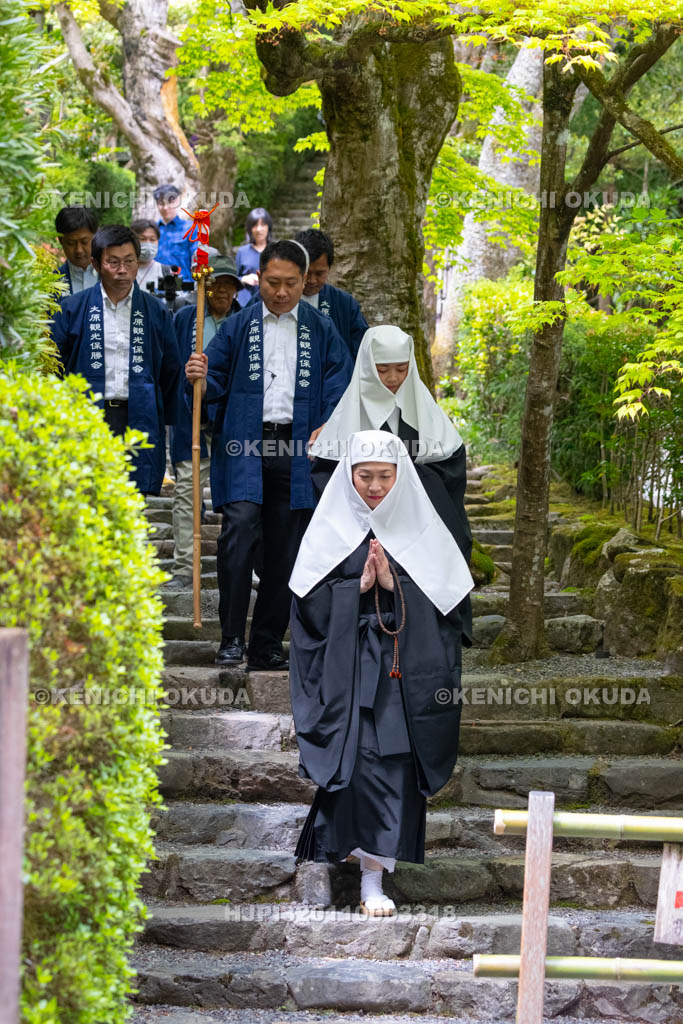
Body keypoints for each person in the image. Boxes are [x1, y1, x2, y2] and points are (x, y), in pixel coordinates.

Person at [289, 430, 474, 915]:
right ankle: (335, 859)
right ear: (349, 476)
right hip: (347, 672)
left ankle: (374, 879)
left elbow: (451, 612)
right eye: (364, 476)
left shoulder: (422, 527)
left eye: (385, 477)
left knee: (392, 763)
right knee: (351, 765)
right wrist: (355, 590)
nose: (374, 487)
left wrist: (397, 586)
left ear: (401, 476)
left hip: (398, 675)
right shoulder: (330, 527)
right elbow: (307, 614)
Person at [185, 239, 353, 670]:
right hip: (245, 444)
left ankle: (265, 643)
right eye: (273, 283)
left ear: (305, 281)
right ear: (259, 278)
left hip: (298, 449)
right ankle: (230, 639)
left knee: (286, 548)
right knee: (238, 531)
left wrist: (327, 424)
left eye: (291, 283)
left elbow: (340, 380)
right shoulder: (238, 326)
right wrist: (199, 376)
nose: (281, 292)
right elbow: (215, 379)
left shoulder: (319, 328)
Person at [308, 324, 474, 644]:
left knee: (451, 536)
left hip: (419, 507)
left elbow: (449, 466)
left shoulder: (423, 410)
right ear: (368, 368)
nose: (394, 379)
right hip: (360, 510)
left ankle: (440, 627)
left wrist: (406, 486)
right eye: (383, 370)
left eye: (401, 369)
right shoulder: (347, 414)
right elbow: (326, 473)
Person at [51, 224, 182, 495]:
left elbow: (171, 369)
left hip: (140, 415)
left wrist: (165, 416)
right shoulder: (72, 309)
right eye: (113, 262)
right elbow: (56, 367)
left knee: (134, 500)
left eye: (129, 261)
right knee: (87, 496)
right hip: (88, 416)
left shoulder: (156, 311)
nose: (122, 270)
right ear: (96, 264)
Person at [167, 256, 242, 589]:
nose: (221, 292)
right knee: (186, 491)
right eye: (215, 285)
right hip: (191, 419)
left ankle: (244, 567)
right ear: (203, 287)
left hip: (231, 422)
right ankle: (185, 566)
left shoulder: (245, 322)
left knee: (241, 501)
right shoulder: (185, 319)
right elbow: (171, 367)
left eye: (229, 286)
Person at [295, 228, 369, 358]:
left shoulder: (345, 304)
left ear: (329, 268)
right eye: (306, 272)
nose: (312, 280)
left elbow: (361, 353)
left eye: (319, 273)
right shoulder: (275, 300)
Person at [154, 184, 197, 284]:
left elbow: (197, 261)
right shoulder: (151, 232)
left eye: (170, 202)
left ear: (177, 201)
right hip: (155, 288)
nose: (165, 207)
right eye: (161, 203)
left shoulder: (191, 229)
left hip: (184, 288)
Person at [55, 206, 99, 295]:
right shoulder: (53, 283)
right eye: (71, 243)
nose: (79, 250)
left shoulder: (113, 275)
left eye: (84, 242)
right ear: (61, 241)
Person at [235, 208, 272, 308]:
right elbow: (232, 279)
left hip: (270, 302)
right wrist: (244, 279)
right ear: (250, 228)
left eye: (263, 225)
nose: (259, 229)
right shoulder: (242, 252)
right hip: (245, 304)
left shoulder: (275, 250)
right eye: (255, 225)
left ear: (269, 227)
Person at [131, 218, 171, 293]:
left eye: (152, 240)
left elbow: (176, 301)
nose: (148, 244)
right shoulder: (122, 270)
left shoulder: (165, 272)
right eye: (142, 239)